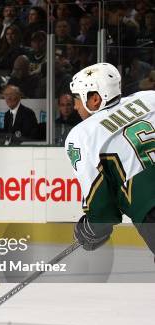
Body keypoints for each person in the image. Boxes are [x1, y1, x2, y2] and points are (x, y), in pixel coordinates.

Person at [66, 62, 155, 254]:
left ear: (95, 99)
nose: (75, 106)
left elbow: (99, 200)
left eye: (77, 99)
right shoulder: (150, 98)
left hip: (150, 205)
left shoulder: (82, 134)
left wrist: (94, 226)